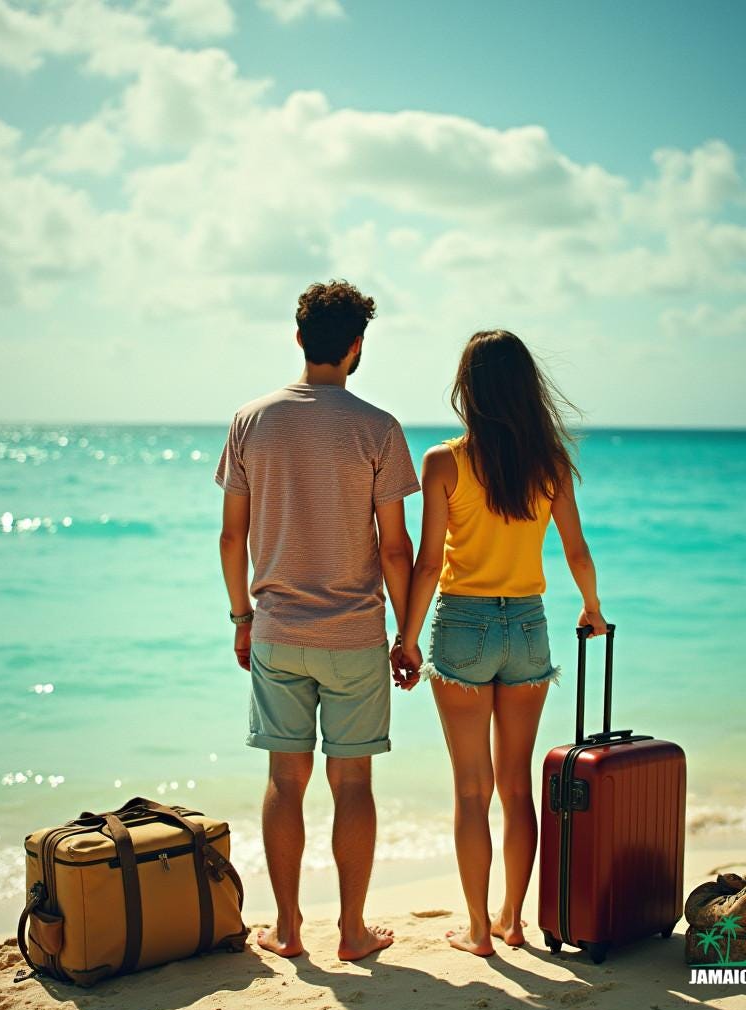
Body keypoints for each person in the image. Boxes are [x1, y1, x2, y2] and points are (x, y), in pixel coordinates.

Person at [215, 280, 420, 961]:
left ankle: (289, 928)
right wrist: (406, 634)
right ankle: (354, 932)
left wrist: (243, 616)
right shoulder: (379, 428)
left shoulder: (251, 420)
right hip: (355, 635)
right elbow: (396, 546)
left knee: (284, 782)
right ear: (358, 346)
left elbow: (231, 538)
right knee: (353, 783)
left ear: (299, 337)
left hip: (277, 631)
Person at [397, 329, 607, 957]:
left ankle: (477, 931)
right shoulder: (550, 465)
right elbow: (575, 549)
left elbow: (430, 563)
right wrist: (592, 608)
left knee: (471, 789)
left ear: (469, 388)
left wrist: (406, 641)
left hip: (462, 625)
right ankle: (514, 921)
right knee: (518, 788)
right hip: (530, 626)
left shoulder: (445, 461)